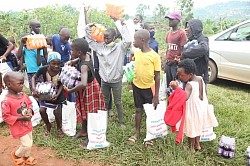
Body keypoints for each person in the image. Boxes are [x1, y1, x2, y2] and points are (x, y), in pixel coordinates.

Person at [85, 18, 132, 127]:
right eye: (104, 37)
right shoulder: (100, 47)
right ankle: (103, 120)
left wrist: (121, 26)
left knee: (118, 102)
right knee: (104, 101)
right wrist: (88, 27)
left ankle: (121, 122)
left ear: (114, 37)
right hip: (104, 80)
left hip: (116, 80)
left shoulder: (120, 47)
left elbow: (128, 40)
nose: (105, 39)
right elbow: (90, 40)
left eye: (108, 37)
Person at [64, 38, 106, 143]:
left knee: (90, 112)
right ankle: (83, 130)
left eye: (72, 50)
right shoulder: (87, 55)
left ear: (78, 52)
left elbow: (83, 83)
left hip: (88, 88)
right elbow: (82, 57)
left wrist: (70, 90)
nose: (70, 52)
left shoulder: (84, 66)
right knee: (84, 109)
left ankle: (91, 135)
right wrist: (74, 60)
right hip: (89, 86)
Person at [170, 59, 214, 151]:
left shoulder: (189, 85)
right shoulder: (200, 79)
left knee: (192, 129)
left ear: (190, 75)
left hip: (192, 111)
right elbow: (203, 94)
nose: (179, 76)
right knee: (198, 128)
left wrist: (176, 88)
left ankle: (191, 149)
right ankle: (197, 145)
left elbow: (184, 97)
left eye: (181, 75)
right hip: (201, 108)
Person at [128, 29, 161, 147]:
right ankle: (137, 132)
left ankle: (149, 136)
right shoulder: (137, 53)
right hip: (137, 86)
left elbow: (157, 76)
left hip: (148, 89)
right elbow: (133, 65)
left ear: (142, 40)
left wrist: (156, 95)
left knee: (150, 113)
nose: (133, 42)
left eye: (134, 39)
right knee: (138, 110)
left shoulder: (154, 56)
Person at [1, 71, 37, 165]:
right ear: (9, 84)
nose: (22, 85)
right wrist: (21, 118)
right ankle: (16, 155)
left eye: (22, 83)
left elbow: (29, 104)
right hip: (18, 126)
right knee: (26, 144)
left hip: (27, 124)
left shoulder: (23, 95)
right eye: (19, 83)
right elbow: (6, 116)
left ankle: (26, 156)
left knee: (30, 141)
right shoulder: (6, 101)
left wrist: (29, 110)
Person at [31, 52, 65, 137]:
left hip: (58, 94)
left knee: (57, 112)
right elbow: (34, 77)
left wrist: (57, 95)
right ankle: (48, 125)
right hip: (46, 93)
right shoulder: (43, 69)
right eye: (53, 63)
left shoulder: (61, 70)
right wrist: (34, 88)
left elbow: (61, 84)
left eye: (58, 63)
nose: (56, 66)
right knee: (42, 110)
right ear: (48, 62)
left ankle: (59, 128)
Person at [17, 19, 47, 93]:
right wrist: (21, 43)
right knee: (34, 92)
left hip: (39, 70)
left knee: (41, 91)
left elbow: (39, 62)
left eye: (39, 27)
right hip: (30, 70)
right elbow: (19, 55)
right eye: (37, 27)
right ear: (31, 27)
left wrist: (39, 50)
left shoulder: (40, 40)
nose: (39, 29)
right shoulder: (27, 40)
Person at [181, 19, 209, 84]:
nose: (186, 29)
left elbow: (203, 48)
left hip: (199, 75)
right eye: (186, 27)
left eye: (188, 27)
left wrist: (185, 54)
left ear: (195, 29)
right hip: (189, 75)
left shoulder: (202, 39)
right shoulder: (190, 40)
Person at [164, 12, 187, 87]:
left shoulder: (181, 33)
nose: (169, 21)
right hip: (168, 62)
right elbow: (168, 48)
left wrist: (179, 63)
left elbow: (183, 50)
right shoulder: (168, 33)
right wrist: (166, 60)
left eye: (171, 19)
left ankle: (175, 98)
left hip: (176, 64)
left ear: (178, 20)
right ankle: (169, 97)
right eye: (169, 19)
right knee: (168, 83)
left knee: (176, 83)